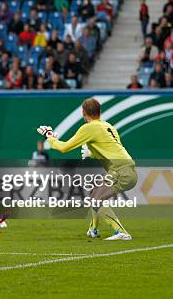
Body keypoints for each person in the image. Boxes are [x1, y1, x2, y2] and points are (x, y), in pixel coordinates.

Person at [37, 98, 137, 240]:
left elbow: (64, 148)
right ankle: (93, 230)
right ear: (99, 112)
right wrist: (92, 153)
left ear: (83, 112)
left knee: (96, 199)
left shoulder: (89, 128)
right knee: (95, 194)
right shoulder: (108, 126)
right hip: (128, 169)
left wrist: (50, 136)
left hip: (120, 171)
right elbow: (111, 149)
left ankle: (121, 232)